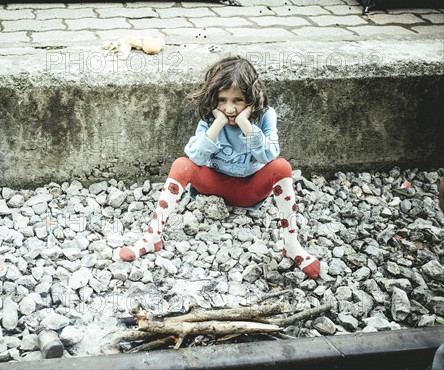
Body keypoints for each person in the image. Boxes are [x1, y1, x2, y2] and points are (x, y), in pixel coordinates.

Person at [119, 56, 321, 279]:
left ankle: (292, 245)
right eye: (222, 100)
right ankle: (152, 236)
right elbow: (195, 156)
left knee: (282, 166)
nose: (229, 108)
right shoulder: (211, 117)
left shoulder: (265, 116)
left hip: (248, 191)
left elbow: (269, 154)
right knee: (181, 165)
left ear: (252, 99)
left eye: (238, 100)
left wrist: (246, 125)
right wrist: (217, 124)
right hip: (214, 187)